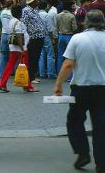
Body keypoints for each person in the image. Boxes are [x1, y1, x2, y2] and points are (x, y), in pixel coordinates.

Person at [54, 10, 105, 173]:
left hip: (81, 88)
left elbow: (68, 64)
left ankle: (82, 152)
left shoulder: (77, 38)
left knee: (74, 120)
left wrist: (58, 84)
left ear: (86, 22)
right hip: (102, 89)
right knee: (101, 125)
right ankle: (101, 162)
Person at [0, 5, 39, 93]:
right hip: (20, 49)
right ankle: (27, 86)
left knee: (9, 66)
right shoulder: (18, 22)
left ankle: (2, 84)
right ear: (19, 13)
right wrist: (23, 48)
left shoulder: (11, 21)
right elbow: (20, 36)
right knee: (25, 67)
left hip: (13, 48)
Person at [21, 0, 46, 84]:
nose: (38, 1)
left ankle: (33, 76)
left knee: (36, 57)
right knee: (32, 58)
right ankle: (30, 77)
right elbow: (23, 25)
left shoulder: (34, 10)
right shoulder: (26, 11)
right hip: (32, 38)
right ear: (32, 1)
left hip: (39, 37)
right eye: (36, 0)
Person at [56, 0, 77, 73]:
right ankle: (69, 75)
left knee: (60, 56)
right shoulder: (71, 16)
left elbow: (57, 27)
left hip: (61, 36)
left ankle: (59, 72)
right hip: (69, 36)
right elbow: (74, 28)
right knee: (69, 56)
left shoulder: (58, 15)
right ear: (69, 7)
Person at [38, 1, 57, 79]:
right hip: (46, 36)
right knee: (50, 55)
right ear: (46, 7)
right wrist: (52, 38)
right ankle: (51, 73)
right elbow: (49, 28)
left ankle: (42, 73)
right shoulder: (47, 15)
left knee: (41, 55)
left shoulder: (36, 15)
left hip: (39, 36)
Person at [0, 0, 14, 77]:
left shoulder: (1, 12)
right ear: (12, 4)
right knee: (13, 55)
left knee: (4, 55)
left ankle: (2, 73)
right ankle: (12, 72)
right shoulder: (13, 12)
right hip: (11, 35)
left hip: (4, 34)